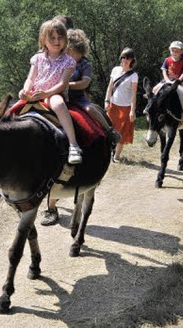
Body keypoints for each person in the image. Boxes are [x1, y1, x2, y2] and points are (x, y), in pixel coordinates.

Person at [40, 28, 121, 226]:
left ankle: (109, 132)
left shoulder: (84, 64)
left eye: (74, 54)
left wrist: (68, 83)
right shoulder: (59, 58)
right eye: (69, 53)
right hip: (55, 96)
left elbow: (85, 82)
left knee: (92, 111)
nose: (71, 57)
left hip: (77, 99)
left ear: (80, 52)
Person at [19, 19, 83, 165]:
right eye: (52, 38)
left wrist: (46, 94)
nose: (56, 41)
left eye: (60, 37)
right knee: (10, 113)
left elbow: (62, 84)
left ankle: (73, 145)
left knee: (59, 104)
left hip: (54, 94)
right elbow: (30, 79)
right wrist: (25, 90)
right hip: (35, 94)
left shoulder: (68, 61)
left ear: (65, 39)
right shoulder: (37, 58)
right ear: (44, 39)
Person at [104, 48, 138, 163]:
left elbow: (134, 95)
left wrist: (132, 111)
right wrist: (106, 101)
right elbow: (110, 87)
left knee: (121, 133)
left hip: (126, 107)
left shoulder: (134, 76)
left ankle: (116, 156)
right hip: (113, 106)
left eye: (128, 58)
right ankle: (108, 152)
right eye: (123, 57)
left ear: (132, 60)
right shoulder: (115, 70)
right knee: (108, 129)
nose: (125, 60)